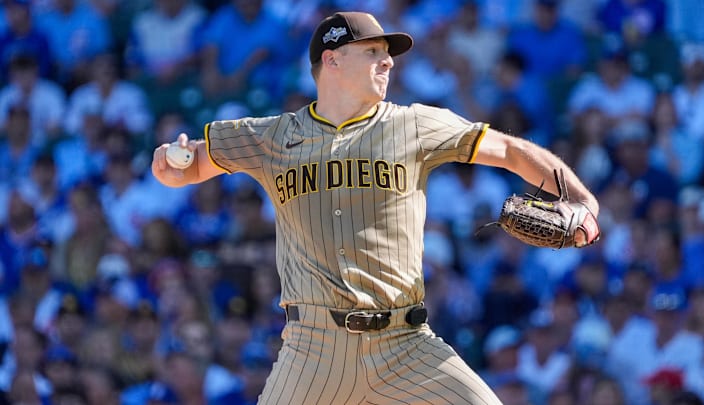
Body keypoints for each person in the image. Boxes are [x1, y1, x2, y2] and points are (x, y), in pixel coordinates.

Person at [151, 11, 600, 405]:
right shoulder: (270, 136)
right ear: (332, 60)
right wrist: (170, 166)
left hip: (406, 343)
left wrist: (579, 198)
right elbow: (183, 171)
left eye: (388, 54)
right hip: (313, 350)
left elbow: (506, 150)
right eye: (373, 52)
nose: (388, 61)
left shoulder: (415, 124)